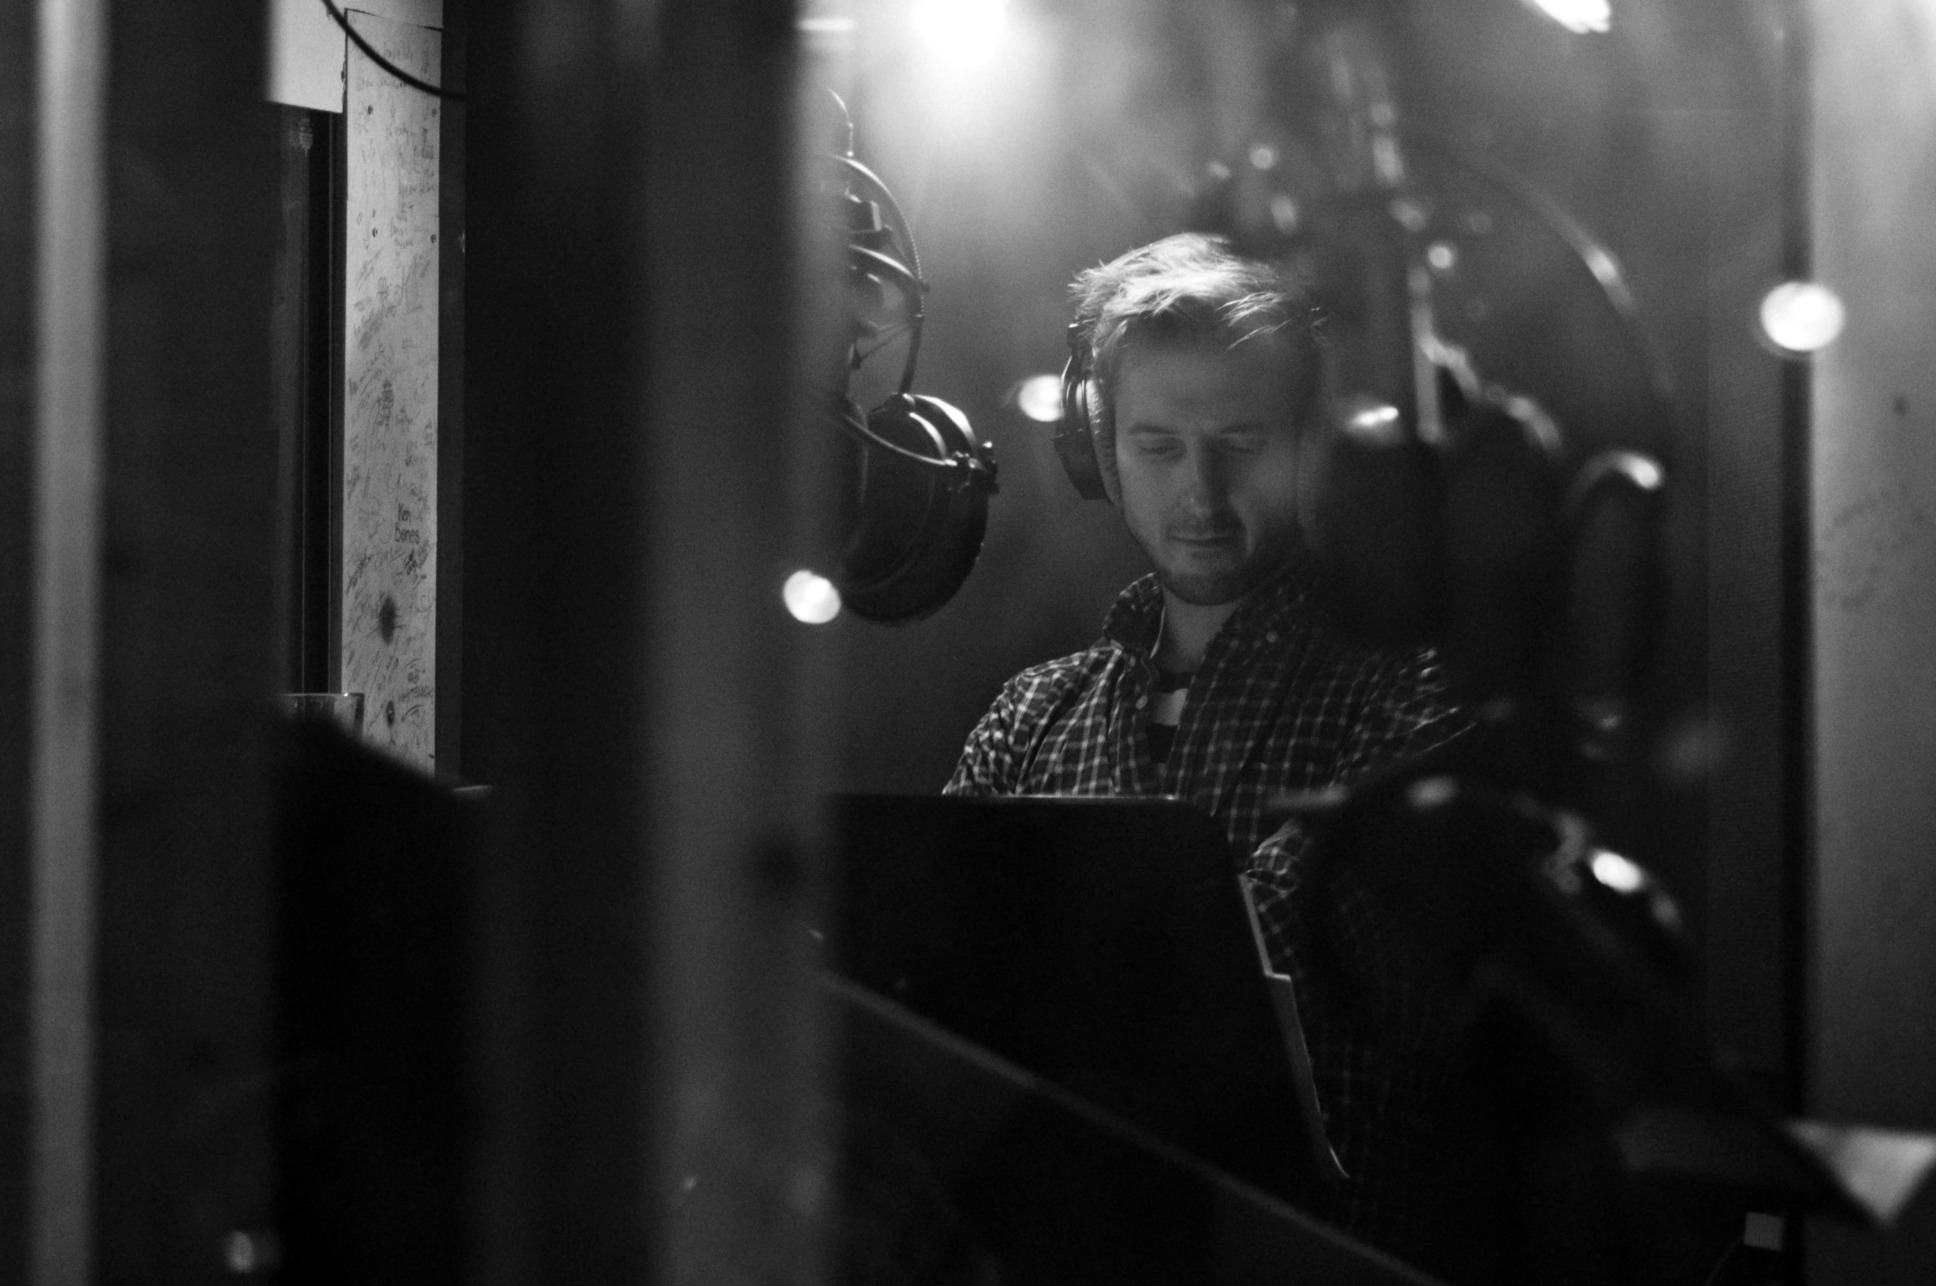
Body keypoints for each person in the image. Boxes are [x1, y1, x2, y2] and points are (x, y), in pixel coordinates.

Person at [944, 232, 1476, 1268]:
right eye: (1156, 445)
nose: (1199, 490)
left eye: (1239, 440)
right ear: (1098, 453)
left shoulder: (1411, 701)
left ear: (1311, 448)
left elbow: (1227, 975)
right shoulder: (1026, 720)